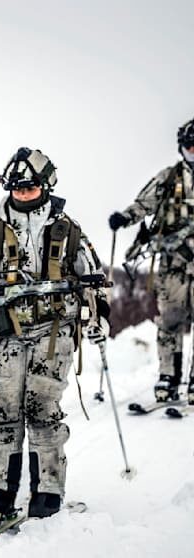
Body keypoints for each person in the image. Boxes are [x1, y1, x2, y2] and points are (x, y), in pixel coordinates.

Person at [0, 147, 109, 527]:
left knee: (43, 409)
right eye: (16, 188)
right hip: (5, 333)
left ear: (45, 186)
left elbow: (94, 276)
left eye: (30, 188)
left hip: (53, 332)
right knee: (2, 410)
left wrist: (100, 315)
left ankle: (48, 488)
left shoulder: (68, 230)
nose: (23, 194)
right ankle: (0, 489)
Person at [108, 117, 194, 405]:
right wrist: (125, 217)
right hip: (173, 263)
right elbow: (144, 204)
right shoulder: (169, 178)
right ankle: (168, 376)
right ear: (182, 148)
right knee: (169, 319)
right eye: (191, 147)